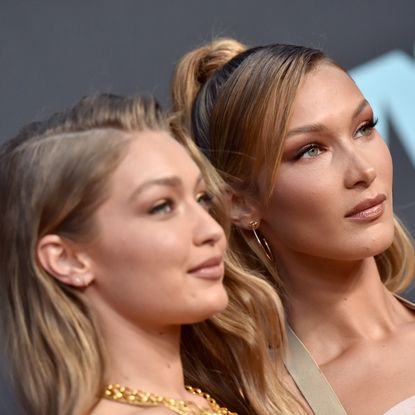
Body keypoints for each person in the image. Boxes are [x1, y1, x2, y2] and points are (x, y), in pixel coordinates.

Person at [0, 94, 301, 415]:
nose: (212, 230)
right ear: (67, 259)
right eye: (162, 206)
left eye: (202, 199)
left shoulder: (206, 398)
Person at [170, 39, 415, 415]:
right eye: (311, 150)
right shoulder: (264, 405)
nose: (363, 171)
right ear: (239, 203)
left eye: (364, 128)